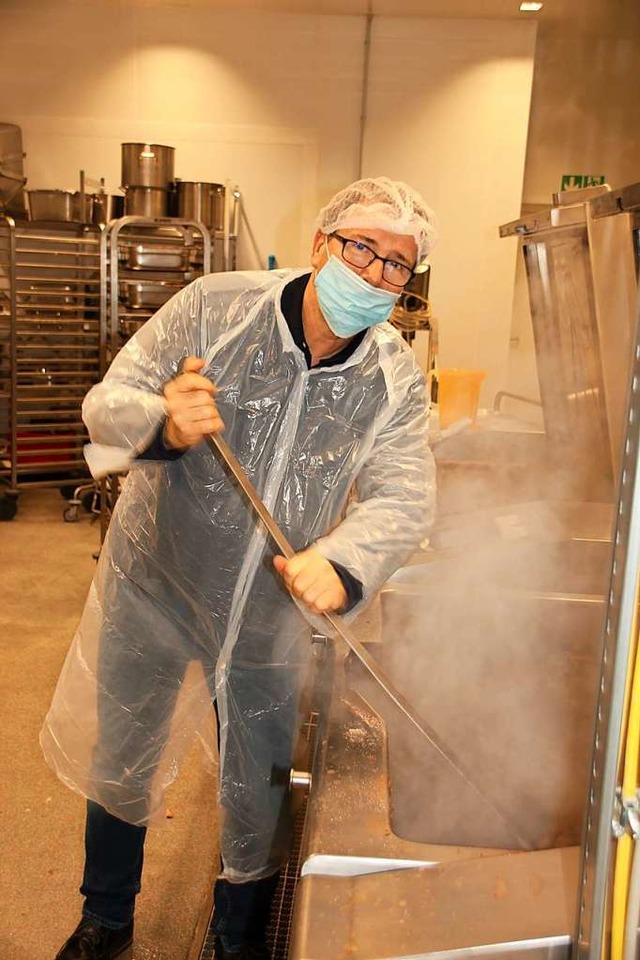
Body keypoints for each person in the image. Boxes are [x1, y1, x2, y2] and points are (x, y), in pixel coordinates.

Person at [42, 176, 438, 960]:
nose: (376, 277)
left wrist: (347, 561)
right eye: (363, 249)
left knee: (257, 782)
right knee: (124, 754)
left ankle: (235, 938)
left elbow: (408, 492)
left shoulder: (391, 376)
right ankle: (105, 920)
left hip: (267, 613)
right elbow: (106, 401)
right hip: (156, 581)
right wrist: (163, 419)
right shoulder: (217, 308)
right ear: (322, 244)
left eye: (398, 266)